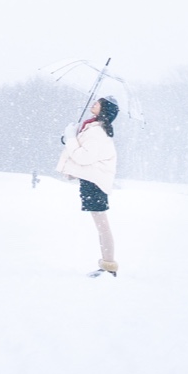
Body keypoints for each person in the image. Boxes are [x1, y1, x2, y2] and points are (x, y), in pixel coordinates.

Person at [56, 96, 119, 276]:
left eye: (98, 103)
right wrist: (69, 138)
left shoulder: (97, 132)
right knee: (100, 224)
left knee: (102, 225)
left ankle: (108, 267)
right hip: (92, 182)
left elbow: (84, 157)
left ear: (104, 109)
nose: (94, 104)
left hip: (95, 184)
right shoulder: (92, 128)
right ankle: (107, 265)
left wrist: (70, 138)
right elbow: (83, 149)